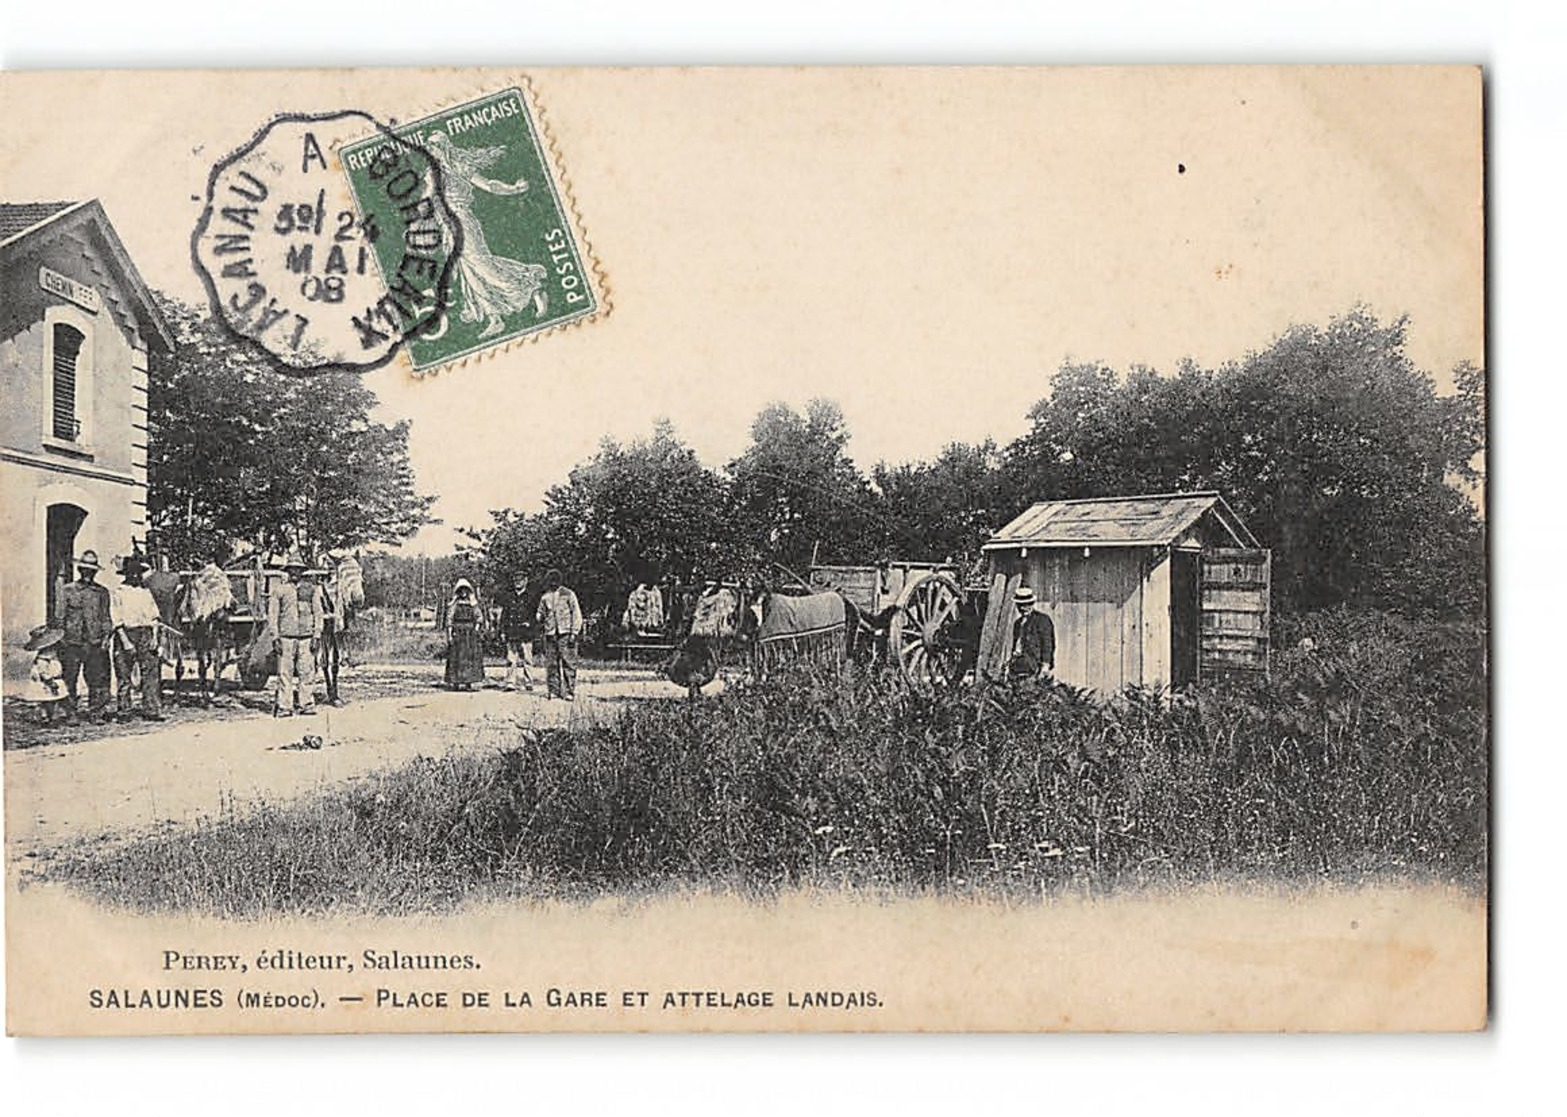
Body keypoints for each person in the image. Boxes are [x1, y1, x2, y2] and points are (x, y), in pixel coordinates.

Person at [425, 130, 550, 339]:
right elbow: (427, 199)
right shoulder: (431, 174)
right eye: (429, 148)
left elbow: (489, 185)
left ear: (444, 148)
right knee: (469, 271)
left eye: (434, 147)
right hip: (447, 226)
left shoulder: (458, 166)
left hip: (463, 221)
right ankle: (495, 318)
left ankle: (533, 288)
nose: (430, 151)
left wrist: (514, 189)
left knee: (484, 267)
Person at [55, 549, 114, 724]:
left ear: (95, 572)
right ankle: (71, 713)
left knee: (97, 679)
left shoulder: (102, 592)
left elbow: (106, 617)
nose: (89, 573)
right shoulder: (67, 590)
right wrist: (62, 639)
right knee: (69, 678)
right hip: (72, 642)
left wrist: (105, 639)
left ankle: (96, 713)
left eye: (92, 570)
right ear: (80, 570)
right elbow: (59, 617)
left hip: (94, 642)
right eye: (85, 570)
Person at [268, 550, 322, 717]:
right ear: (288, 571)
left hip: (306, 637)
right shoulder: (279, 590)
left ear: (302, 571)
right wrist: (275, 637)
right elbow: (273, 615)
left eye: (298, 569)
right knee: (285, 673)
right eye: (292, 569)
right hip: (286, 637)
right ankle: (285, 706)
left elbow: (318, 613)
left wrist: (317, 635)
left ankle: (306, 704)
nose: (295, 572)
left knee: (307, 672)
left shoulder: (311, 590)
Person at [111, 555, 165, 720]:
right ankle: (124, 710)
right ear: (126, 574)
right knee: (124, 674)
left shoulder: (146, 592)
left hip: (146, 633)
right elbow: (116, 619)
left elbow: (154, 616)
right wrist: (126, 642)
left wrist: (155, 637)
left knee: (150, 673)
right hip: (126, 633)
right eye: (131, 573)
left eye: (137, 573)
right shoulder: (118, 592)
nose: (135, 576)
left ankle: (151, 710)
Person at [535, 568, 582, 700]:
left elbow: (576, 614)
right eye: (551, 581)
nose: (553, 583)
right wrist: (539, 617)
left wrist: (574, 632)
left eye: (555, 581)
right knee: (551, 664)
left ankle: (568, 691)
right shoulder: (545, 597)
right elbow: (540, 612)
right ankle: (554, 690)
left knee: (568, 662)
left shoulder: (569, 594)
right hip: (550, 634)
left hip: (565, 633)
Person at [18, 625, 69, 725]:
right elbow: (43, 671)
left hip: (54, 678)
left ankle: (51, 716)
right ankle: (45, 716)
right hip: (47, 682)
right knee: (47, 700)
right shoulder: (43, 659)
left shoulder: (52, 657)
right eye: (53, 647)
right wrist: (49, 680)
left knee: (52, 700)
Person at [444, 578, 486, 691]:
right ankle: (455, 682)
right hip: (458, 632)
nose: (463, 593)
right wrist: (449, 634)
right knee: (456, 658)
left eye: (465, 590)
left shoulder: (473, 604)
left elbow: (479, 617)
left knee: (470, 658)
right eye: (461, 590)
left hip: (470, 633)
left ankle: (468, 682)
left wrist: (476, 629)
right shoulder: (454, 604)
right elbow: (449, 620)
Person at [1008, 585, 1056, 681]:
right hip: (1018, 666)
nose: (1024, 608)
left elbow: (1048, 644)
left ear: (1032, 603)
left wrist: (1045, 666)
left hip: (1034, 667)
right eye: (1020, 605)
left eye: (1027, 604)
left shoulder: (1042, 620)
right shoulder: (1018, 623)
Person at [316, 551, 345, 706]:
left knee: (335, 658)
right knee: (325, 658)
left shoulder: (338, 587)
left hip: (335, 624)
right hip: (323, 626)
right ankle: (331, 691)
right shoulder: (319, 589)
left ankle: (334, 692)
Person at [498, 574, 535, 692]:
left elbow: (536, 616)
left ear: (526, 581)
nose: (518, 582)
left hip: (526, 632)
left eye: (520, 580)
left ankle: (528, 682)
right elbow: (504, 616)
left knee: (527, 659)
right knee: (511, 659)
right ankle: (510, 682)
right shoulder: (509, 597)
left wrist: (531, 625)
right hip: (512, 631)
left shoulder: (530, 597)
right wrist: (503, 631)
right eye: (516, 580)